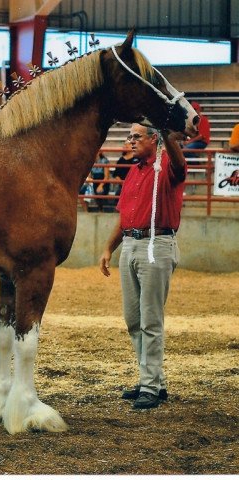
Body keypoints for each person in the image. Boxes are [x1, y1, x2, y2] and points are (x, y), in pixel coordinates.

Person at [99, 124, 187, 410]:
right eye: (129, 137)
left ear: (154, 139)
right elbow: (124, 217)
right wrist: (109, 249)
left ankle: (149, 386)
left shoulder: (165, 168)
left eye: (137, 137)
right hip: (131, 243)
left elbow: (180, 165)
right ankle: (153, 381)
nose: (131, 141)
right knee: (134, 319)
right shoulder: (134, 172)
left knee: (150, 319)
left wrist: (168, 135)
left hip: (156, 244)